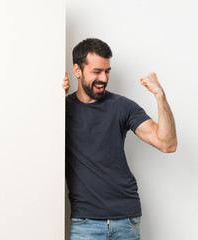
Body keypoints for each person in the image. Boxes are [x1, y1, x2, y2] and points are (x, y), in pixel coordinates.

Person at [62, 38, 177, 240]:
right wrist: (52, 94)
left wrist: (160, 95)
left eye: (107, 71)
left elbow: (167, 144)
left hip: (127, 219)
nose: (104, 78)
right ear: (77, 70)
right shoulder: (62, 108)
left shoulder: (123, 106)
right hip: (85, 223)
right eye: (96, 71)